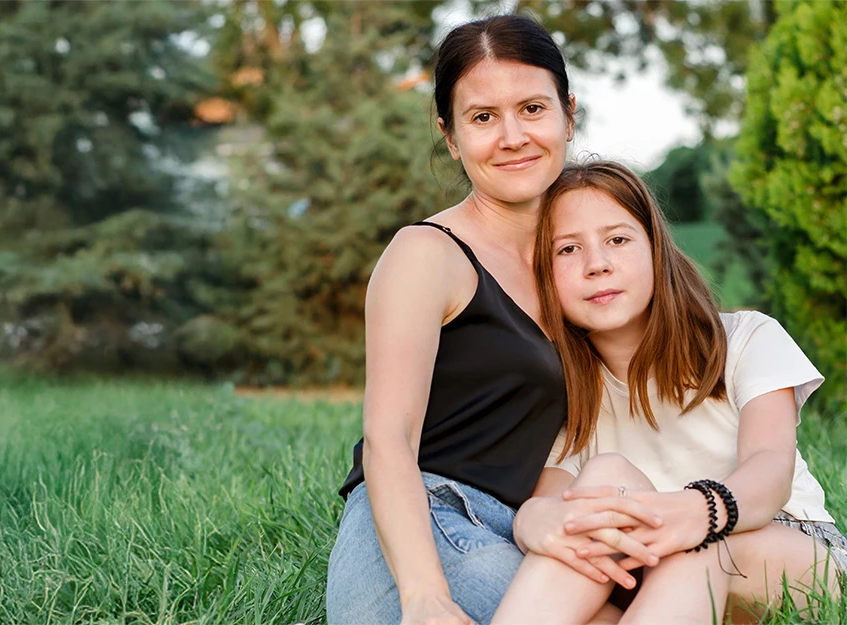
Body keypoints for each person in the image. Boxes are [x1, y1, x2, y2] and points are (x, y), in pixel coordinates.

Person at [325, 16, 663, 625]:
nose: (512, 137)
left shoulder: (588, 262)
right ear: (450, 137)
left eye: (532, 108)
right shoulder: (426, 255)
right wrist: (424, 597)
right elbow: (388, 439)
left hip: (533, 523)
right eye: (482, 118)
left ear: (569, 115)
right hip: (425, 522)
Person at [491, 160, 847, 624]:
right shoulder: (570, 393)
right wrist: (530, 521)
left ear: (656, 249)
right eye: (568, 249)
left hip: (788, 547)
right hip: (649, 572)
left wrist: (699, 513)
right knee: (602, 479)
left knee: (694, 551)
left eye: (617, 240)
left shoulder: (744, 339)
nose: (597, 264)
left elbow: (770, 466)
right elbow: (553, 505)